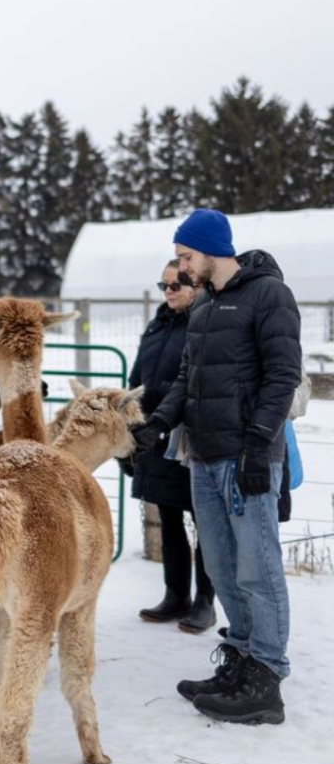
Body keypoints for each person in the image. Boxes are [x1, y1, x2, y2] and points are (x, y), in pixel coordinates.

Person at [132, 209, 301, 725]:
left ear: (211, 251)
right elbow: (187, 379)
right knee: (224, 569)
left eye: (185, 257)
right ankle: (240, 659)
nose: (181, 269)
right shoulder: (204, 308)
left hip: (246, 457)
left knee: (258, 566)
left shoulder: (268, 295)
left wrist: (257, 445)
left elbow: (283, 377)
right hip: (202, 459)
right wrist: (158, 423)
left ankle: (266, 678)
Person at [130, 259, 215, 633]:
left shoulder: (207, 321)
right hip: (156, 435)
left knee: (204, 522)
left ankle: (205, 602)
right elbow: (138, 377)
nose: (169, 291)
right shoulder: (158, 324)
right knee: (167, 517)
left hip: (191, 438)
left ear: (196, 285)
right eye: (164, 284)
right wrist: (131, 425)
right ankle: (175, 594)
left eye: (178, 283)